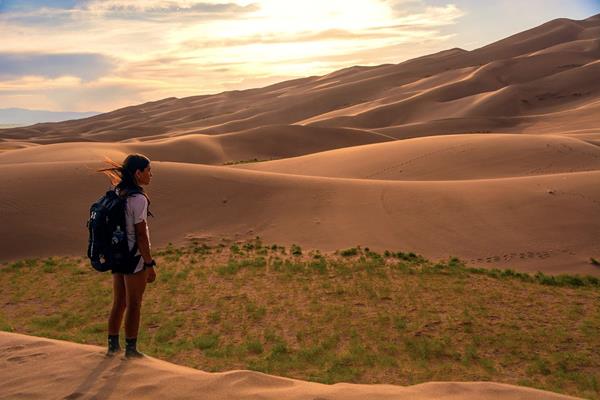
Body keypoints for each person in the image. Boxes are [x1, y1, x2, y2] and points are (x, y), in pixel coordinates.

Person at [98, 154, 157, 358]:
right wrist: (149, 264)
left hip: (117, 254)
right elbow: (141, 235)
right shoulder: (138, 199)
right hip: (134, 258)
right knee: (134, 304)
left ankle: (112, 346)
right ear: (138, 173)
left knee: (119, 302)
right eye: (148, 170)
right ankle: (131, 349)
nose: (151, 174)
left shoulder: (117, 191)